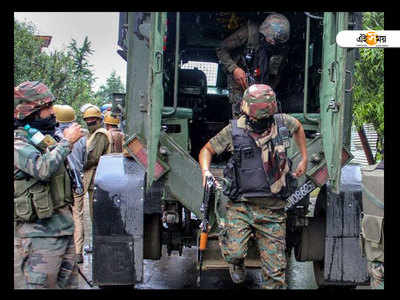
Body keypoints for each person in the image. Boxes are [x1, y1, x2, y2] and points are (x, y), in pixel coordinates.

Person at [198, 84, 307, 289]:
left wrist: (304, 158)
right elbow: (207, 150)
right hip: (241, 208)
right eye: (257, 118)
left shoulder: (283, 123)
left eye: (265, 119)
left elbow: (299, 127)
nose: (260, 122)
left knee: (275, 276)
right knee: (235, 252)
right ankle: (236, 263)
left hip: (273, 211)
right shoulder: (235, 130)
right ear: (247, 110)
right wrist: (206, 172)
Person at [14, 81, 83, 288]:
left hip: (62, 230)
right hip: (39, 236)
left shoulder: (42, 139)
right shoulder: (18, 143)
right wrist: (67, 142)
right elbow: (42, 168)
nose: (52, 111)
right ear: (30, 111)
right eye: (46, 107)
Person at [216, 13, 290, 119]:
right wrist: (234, 69)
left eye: (276, 41)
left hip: (263, 87)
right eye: (271, 39)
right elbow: (221, 49)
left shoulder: (280, 48)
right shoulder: (249, 33)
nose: (273, 43)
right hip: (240, 82)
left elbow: (277, 74)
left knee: (263, 120)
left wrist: (268, 92)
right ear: (265, 31)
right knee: (241, 119)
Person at [54, 104, 89, 264]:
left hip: (61, 184)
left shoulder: (55, 137)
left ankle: (60, 252)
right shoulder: (82, 137)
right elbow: (85, 160)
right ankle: (77, 252)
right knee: (77, 216)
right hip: (77, 181)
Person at [82, 105, 112, 222]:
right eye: (87, 120)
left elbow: (94, 157)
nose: (89, 122)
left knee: (96, 214)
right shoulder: (94, 134)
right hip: (95, 178)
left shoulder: (100, 134)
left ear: (99, 120)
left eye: (92, 119)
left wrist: (80, 165)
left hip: (97, 178)